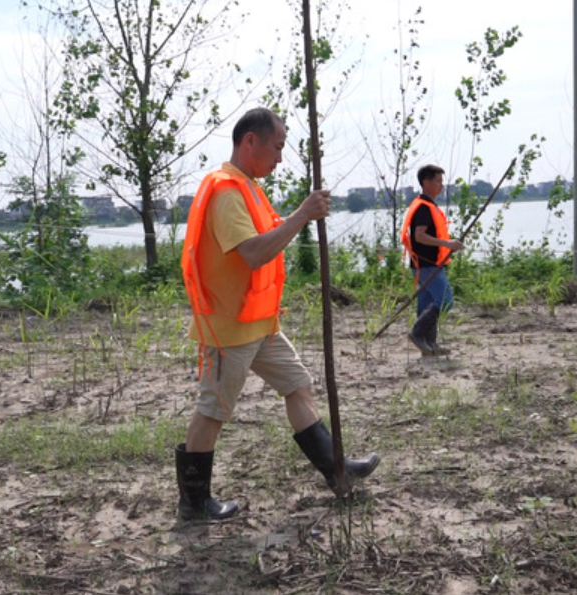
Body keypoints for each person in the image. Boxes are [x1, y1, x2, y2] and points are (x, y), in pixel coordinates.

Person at [176, 107, 380, 521]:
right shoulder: (226, 191)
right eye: (277, 147)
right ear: (249, 141)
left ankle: (336, 470)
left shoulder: (249, 187)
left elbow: (267, 237)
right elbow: (253, 253)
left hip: (260, 325)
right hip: (229, 329)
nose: (280, 158)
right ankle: (194, 503)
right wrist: (302, 215)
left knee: (298, 385)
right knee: (213, 412)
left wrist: (299, 216)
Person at [400, 164, 464, 357]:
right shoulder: (423, 208)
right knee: (445, 300)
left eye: (441, 182)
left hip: (424, 264)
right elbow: (419, 236)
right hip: (427, 264)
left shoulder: (427, 205)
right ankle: (417, 334)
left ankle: (429, 346)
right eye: (437, 181)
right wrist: (448, 243)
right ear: (426, 182)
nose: (441, 186)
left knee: (427, 305)